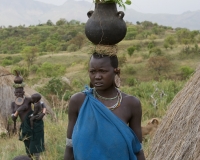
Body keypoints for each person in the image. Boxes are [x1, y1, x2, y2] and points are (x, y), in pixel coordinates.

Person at [64, 52, 146, 160]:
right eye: (93, 71)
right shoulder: (78, 101)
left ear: (116, 71)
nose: (97, 76)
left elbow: (137, 150)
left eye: (103, 71)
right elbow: (70, 147)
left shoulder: (131, 104)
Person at [11, 72, 46, 160]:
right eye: (17, 92)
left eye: (20, 91)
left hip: (34, 122)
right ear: (14, 93)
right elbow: (13, 118)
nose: (19, 93)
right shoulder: (13, 104)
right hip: (25, 126)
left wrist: (43, 113)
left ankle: (38, 158)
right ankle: (30, 158)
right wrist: (18, 110)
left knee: (36, 143)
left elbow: (41, 103)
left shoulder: (28, 99)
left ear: (23, 92)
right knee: (27, 144)